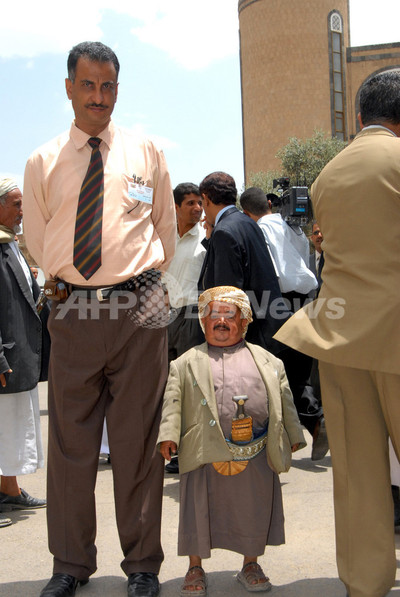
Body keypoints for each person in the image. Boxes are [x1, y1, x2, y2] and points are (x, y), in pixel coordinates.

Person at [22, 41, 176, 597]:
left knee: (137, 442)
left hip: (140, 308)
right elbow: (38, 242)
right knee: (71, 445)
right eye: (88, 85)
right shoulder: (42, 161)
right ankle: (70, 564)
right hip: (74, 310)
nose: (99, 97)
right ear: (68, 88)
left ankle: (142, 566)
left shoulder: (146, 151)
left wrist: (138, 283)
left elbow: (165, 231)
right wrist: (76, 289)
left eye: (108, 86)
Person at [275, 71, 400, 597]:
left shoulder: (327, 175)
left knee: (358, 472)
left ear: (359, 117)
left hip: (340, 336)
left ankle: (364, 582)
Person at [158, 286, 306, 596]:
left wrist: (293, 435)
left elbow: (284, 401)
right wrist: (169, 436)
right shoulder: (184, 363)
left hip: (255, 451)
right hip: (202, 450)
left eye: (229, 314)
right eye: (214, 314)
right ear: (203, 321)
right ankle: (195, 567)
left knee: (252, 507)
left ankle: (250, 564)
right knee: (197, 509)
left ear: (244, 321)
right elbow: (172, 401)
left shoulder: (269, 361)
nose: (221, 321)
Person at [239, 187, 328, 460]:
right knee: (298, 369)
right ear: (269, 203)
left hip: (277, 302)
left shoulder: (261, 230)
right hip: (305, 302)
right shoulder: (293, 226)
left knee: (273, 371)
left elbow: (268, 270)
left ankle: (304, 424)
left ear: (246, 213)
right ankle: (314, 420)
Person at [0, 178, 49, 523]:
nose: (22, 211)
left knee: (13, 428)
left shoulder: (10, 244)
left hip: (21, 354)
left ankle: (10, 490)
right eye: (16, 204)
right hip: (5, 355)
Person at [198, 171, 289, 356]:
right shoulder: (247, 222)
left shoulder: (224, 231)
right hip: (269, 329)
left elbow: (228, 295)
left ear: (206, 199)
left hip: (250, 340)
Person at [163, 182, 206, 474]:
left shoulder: (205, 239)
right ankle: (171, 445)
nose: (197, 208)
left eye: (199, 202)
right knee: (168, 385)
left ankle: (190, 451)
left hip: (193, 316)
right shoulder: (163, 239)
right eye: (189, 203)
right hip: (165, 317)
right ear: (176, 207)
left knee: (190, 385)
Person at [308, 221, 324, 297]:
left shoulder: (335, 261)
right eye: (316, 233)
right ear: (312, 237)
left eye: (322, 232)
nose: (319, 235)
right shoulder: (306, 262)